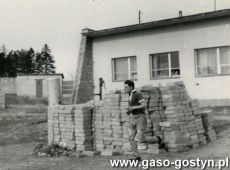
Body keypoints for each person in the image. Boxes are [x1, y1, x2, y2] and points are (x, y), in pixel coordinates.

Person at [124, 80, 166, 161]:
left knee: (141, 139)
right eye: (124, 87)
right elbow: (133, 107)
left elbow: (144, 105)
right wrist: (129, 111)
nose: (124, 89)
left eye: (126, 87)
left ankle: (158, 139)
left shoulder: (137, 94)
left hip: (140, 118)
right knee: (131, 138)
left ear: (131, 87)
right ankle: (137, 157)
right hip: (133, 118)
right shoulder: (130, 95)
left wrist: (132, 108)